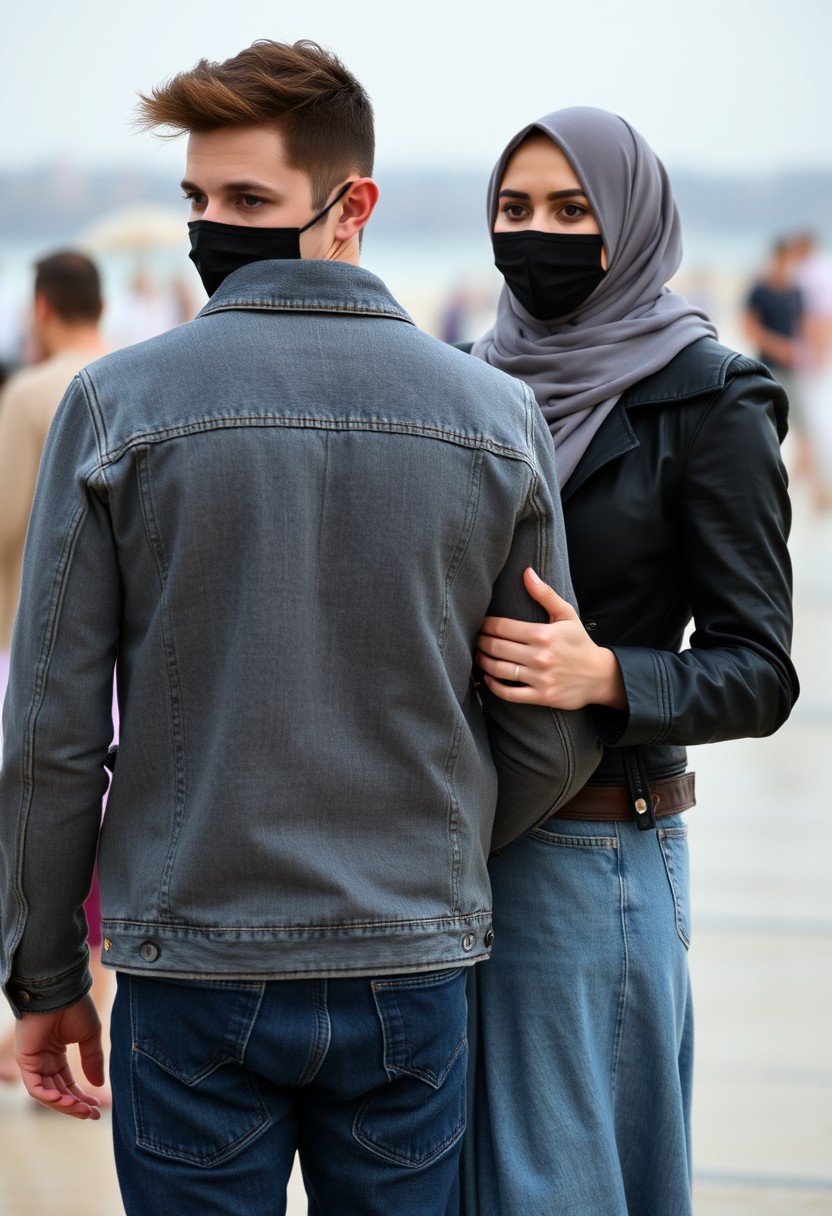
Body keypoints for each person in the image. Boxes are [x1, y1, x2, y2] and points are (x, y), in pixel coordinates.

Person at [0, 42, 600, 1216]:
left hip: (192, 958)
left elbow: (49, 734)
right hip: (411, 963)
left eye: (247, 200)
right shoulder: (498, 415)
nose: (211, 226)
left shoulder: (114, 406)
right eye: (198, 198)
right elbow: (545, 724)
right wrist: (435, 852)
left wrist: (42, 974)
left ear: (350, 207)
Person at [460, 108, 799, 1216]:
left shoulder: (710, 399)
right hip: (442, 857)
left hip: (593, 845)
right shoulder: (463, 382)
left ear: (634, 225)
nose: (536, 235)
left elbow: (759, 669)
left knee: (562, 1186)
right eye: (514, 211)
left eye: (571, 211)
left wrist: (606, 675)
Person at [0, 250, 112, 1086]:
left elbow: (4, 521)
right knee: (108, 812)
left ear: (41, 307)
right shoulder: (135, 372)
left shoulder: (33, 394)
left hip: (28, 634)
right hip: (129, 651)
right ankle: (96, 990)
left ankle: (45, 993)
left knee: (39, 796)